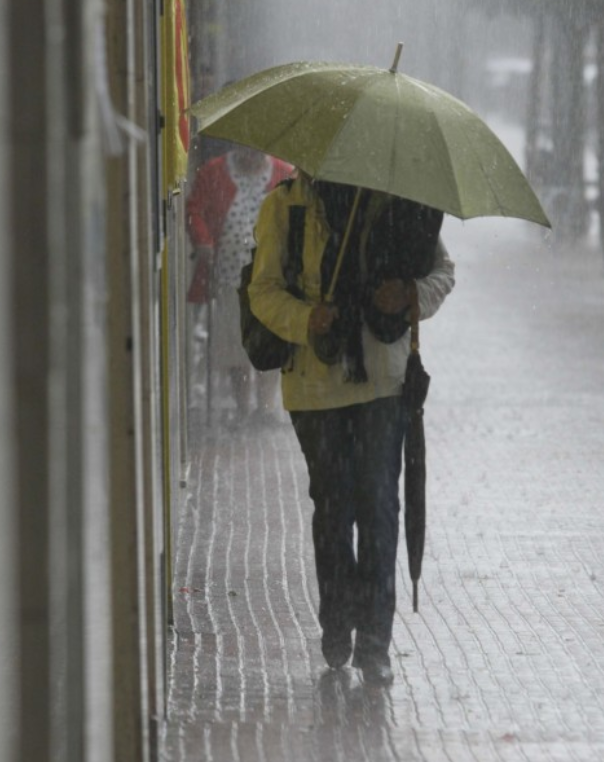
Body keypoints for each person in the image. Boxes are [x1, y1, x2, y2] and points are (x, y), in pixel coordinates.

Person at [248, 173, 455, 685]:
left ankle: (375, 643)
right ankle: (338, 618)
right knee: (334, 506)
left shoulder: (397, 203)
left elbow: (442, 273)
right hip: (314, 389)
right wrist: (306, 318)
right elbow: (263, 289)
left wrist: (407, 292)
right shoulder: (286, 207)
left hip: (382, 385)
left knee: (380, 506)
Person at [186, 145, 294, 424]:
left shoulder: (283, 173)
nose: (252, 156)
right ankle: (243, 406)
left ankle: (267, 406)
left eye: (258, 151)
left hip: (271, 278)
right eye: (248, 150)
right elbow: (194, 210)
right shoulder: (214, 173)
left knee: (268, 339)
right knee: (235, 343)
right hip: (229, 277)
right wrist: (204, 242)